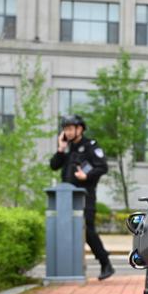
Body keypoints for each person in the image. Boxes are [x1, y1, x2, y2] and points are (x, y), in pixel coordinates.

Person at [50, 114, 115, 280]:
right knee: (69, 231)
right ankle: (74, 268)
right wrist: (60, 149)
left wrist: (87, 176)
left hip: (85, 196)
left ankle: (105, 262)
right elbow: (54, 166)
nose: (68, 132)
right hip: (67, 197)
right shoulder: (68, 148)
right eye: (65, 129)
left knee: (87, 230)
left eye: (71, 128)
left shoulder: (90, 146)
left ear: (80, 129)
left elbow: (103, 167)